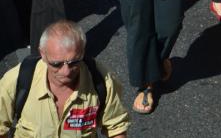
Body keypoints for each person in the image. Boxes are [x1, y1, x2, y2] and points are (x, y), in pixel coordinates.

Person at [0, 20, 130, 137]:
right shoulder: (16, 79)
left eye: (74, 62)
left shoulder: (102, 80)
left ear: (83, 52)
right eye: (56, 64)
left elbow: (116, 128)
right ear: (42, 54)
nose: (66, 72)